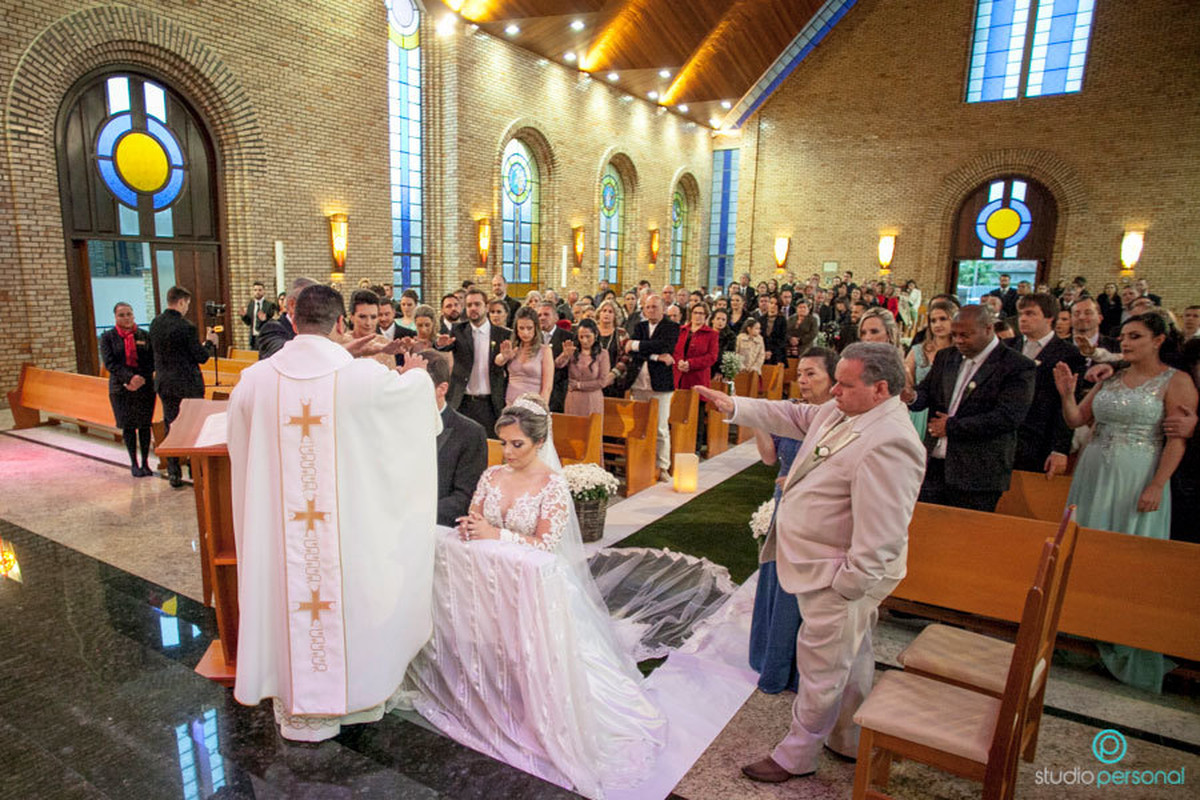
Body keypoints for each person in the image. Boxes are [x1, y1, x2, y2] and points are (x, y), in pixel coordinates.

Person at [402, 394, 667, 797]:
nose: (507, 452)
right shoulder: (491, 476)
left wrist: (497, 535)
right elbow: (475, 517)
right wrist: (473, 528)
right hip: (490, 586)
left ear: (539, 443)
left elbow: (545, 545)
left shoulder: (553, 485)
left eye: (517, 444)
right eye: (504, 443)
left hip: (536, 592)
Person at [697, 343, 926, 784]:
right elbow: (797, 417)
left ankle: (797, 755)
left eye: (845, 383)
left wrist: (847, 585)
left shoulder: (892, 440)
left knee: (821, 665)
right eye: (835, 379)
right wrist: (736, 406)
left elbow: (884, 531)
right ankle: (851, 739)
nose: (833, 389)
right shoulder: (844, 411)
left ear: (880, 388)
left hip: (838, 572)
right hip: (823, 565)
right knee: (851, 653)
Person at [226, 285, 437, 741]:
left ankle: (295, 696)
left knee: (292, 604)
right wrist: (418, 375)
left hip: (284, 539)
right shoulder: (362, 378)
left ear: (294, 322)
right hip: (345, 538)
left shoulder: (255, 380)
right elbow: (408, 415)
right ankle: (350, 699)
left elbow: (241, 446)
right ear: (340, 324)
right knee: (345, 604)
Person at [1054, 313, 1197, 692]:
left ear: (1159, 340)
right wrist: (1067, 391)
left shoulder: (1176, 381)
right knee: (1087, 551)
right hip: (1094, 472)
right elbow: (1076, 420)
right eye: (1124, 337)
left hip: (1138, 474)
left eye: (1136, 336)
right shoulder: (1111, 377)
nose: (1127, 343)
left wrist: (1157, 484)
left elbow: (1175, 440)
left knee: (1127, 558)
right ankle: (1079, 635)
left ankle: (1121, 639)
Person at [748, 347, 838, 694]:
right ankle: (770, 659)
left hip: (814, 513)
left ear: (833, 379)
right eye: (800, 373)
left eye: (812, 373)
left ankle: (798, 669)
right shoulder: (794, 412)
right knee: (775, 581)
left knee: (798, 589)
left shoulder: (836, 421)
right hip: (782, 505)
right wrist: (760, 422)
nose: (803, 380)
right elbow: (770, 459)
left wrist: (803, 480)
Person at [909, 305, 1035, 512]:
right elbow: (927, 393)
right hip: (936, 465)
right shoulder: (947, 357)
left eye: (965, 335)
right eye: (955, 335)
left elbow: (1008, 417)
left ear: (988, 329)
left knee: (966, 538)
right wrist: (911, 396)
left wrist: (951, 427)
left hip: (978, 472)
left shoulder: (1016, 365)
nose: (958, 340)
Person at [1006, 293, 1086, 476]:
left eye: (1030, 314)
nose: (1023, 319)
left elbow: (1067, 404)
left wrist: (1060, 449)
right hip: (1003, 438)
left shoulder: (1069, 354)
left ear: (1049, 317)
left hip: (1040, 440)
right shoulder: (1007, 347)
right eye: (1021, 314)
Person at [149, 286, 217, 488]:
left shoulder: (155, 323)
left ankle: (173, 472)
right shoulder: (186, 327)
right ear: (180, 302)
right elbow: (201, 357)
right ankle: (196, 470)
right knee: (195, 427)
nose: (187, 307)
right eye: (187, 303)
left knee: (171, 425)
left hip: (165, 383)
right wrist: (210, 343)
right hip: (187, 385)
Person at [419, 349, 487, 527]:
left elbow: (465, 498)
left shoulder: (470, 433)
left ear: (442, 389)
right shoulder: (397, 426)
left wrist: (417, 513)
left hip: (439, 527)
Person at [437, 287, 509, 433]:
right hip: (463, 401)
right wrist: (440, 344)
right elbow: (444, 347)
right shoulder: (458, 330)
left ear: (487, 307)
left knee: (489, 447)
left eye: (477, 304)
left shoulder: (502, 334)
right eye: (469, 305)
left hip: (490, 403)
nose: (473, 308)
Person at [625, 294, 680, 478]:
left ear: (663, 308)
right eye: (647, 307)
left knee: (660, 427)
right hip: (639, 383)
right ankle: (641, 461)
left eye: (654, 307)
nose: (651, 310)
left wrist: (636, 345)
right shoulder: (640, 326)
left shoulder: (671, 327)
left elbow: (665, 346)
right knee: (639, 426)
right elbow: (633, 354)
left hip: (661, 384)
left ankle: (663, 466)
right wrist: (655, 356)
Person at [99, 302, 156, 477]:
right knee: (129, 426)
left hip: (144, 386)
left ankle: (146, 462)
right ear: (115, 317)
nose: (126, 318)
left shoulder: (144, 336)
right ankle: (134, 463)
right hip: (121, 387)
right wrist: (128, 379)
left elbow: (152, 360)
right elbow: (110, 363)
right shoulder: (108, 338)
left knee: (145, 424)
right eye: (122, 315)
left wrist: (140, 378)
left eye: (129, 314)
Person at [904, 298, 957, 437]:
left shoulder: (960, 352)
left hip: (946, 413)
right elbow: (907, 379)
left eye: (943, 319)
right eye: (933, 321)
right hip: (918, 410)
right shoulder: (918, 350)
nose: (937, 324)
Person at [498, 306, 554, 405]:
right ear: (516, 329)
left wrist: (541, 409)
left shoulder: (545, 351)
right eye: (521, 328)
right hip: (511, 404)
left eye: (529, 328)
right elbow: (497, 361)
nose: (525, 332)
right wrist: (505, 356)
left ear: (536, 328)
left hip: (533, 406)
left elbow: (547, 387)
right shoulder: (513, 348)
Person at [557, 319, 612, 416]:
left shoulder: (603, 354)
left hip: (592, 398)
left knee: (591, 428)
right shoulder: (573, 351)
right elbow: (558, 365)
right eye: (581, 337)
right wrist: (565, 355)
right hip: (573, 398)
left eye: (588, 336)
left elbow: (602, 382)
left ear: (595, 335)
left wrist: (579, 385)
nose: (584, 340)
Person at [257, 277, 318, 359]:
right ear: (292, 305)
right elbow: (282, 353)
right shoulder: (271, 330)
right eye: (314, 303)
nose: (320, 309)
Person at [673, 302, 719, 392]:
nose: (698, 316)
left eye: (701, 313)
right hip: (679, 377)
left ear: (706, 316)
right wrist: (679, 361)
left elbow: (712, 357)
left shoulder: (712, 334)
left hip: (698, 378)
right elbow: (674, 351)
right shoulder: (681, 330)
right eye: (695, 313)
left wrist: (690, 363)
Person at [538, 302, 571, 412]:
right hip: (536, 389)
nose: (542, 318)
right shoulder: (532, 337)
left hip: (558, 392)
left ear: (556, 317)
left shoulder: (568, 337)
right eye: (539, 315)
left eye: (546, 314)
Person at [595, 298, 630, 397]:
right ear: (599, 314)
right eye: (604, 311)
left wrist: (613, 374)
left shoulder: (621, 333)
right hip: (592, 379)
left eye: (610, 312)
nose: (607, 314)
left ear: (615, 316)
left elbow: (626, 356)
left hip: (614, 381)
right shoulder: (591, 331)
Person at [240, 280, 277, 349]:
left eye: (260, 290)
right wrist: (244, 316)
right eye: (255, 290)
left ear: (264, 291)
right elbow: (249, 322)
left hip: (264, 337)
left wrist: (264, 320)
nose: (257, 292)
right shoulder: (251, 305)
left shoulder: (269, 305)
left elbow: (273, 322)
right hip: (253, 338)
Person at [761, 295, 788, 365]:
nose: (773, 305)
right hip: (762, 354)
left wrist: (771, 351)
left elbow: (783, 339)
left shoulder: (782, 320)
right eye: (771, 303)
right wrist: (764, 351)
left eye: (776, 304)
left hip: (777, 355)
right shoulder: (761, 319)